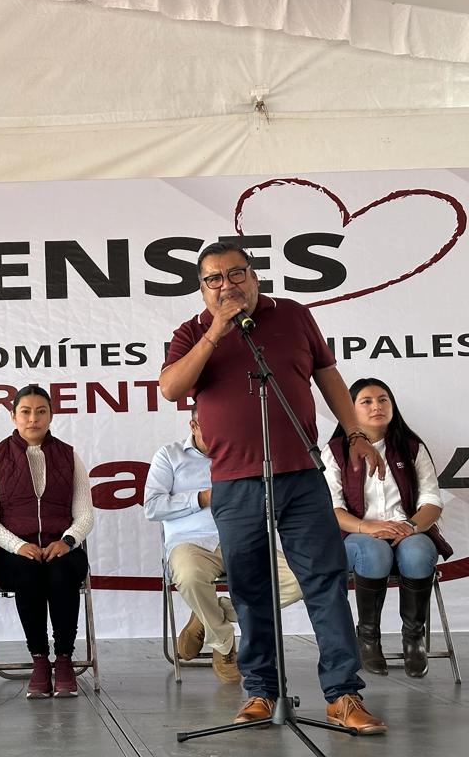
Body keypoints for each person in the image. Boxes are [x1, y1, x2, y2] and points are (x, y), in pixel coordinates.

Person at [158, 241, 387, 734]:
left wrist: (354, 433)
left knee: (324, 581)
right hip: (235, 482)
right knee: (249, 587)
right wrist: (216, 332)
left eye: (235, 273)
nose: (226, 285)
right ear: (202, 288)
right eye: (213, 278)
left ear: (254, 275)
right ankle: (262, 691)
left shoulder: (294, 316)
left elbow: (328, 377)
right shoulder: (191, 332)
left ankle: (342, 695)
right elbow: (172, 387)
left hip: (300, 474)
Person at [144, 408, 302, 685]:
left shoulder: (245, 454)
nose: (220, 434)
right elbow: (152, 507)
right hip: (190, 542)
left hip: (242, 537)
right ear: (193, 426)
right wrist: (203, 498)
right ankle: (223, 643)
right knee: (189, 575)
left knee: (299, 581)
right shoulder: (169, 455)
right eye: (211, 427)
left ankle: (210, 615)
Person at [323, 377, 452, 678]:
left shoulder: (411, 447)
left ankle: (414, 638)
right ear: (350, 410)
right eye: (366, 401)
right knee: (374, 552)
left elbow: (432, 502)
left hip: (408, 531)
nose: (376, 406)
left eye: (383, 399)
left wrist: (409, 526)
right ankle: (368, 637)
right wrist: (367, 527)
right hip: (356, 535)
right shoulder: (336, 451)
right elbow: (333, 510)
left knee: (418, 553)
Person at [0, 385, 95, 698]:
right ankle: (40, 660)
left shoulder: (69, 455)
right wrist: (18, 546)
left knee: (61, 572)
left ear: (51, 415)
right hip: (13, 552)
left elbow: (85, 515)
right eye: (26, 412)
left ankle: (65, 658)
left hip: (62, 548)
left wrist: (68, 540)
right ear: (13, 416)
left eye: (41, 412)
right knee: (28, 573)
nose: (33, 419)